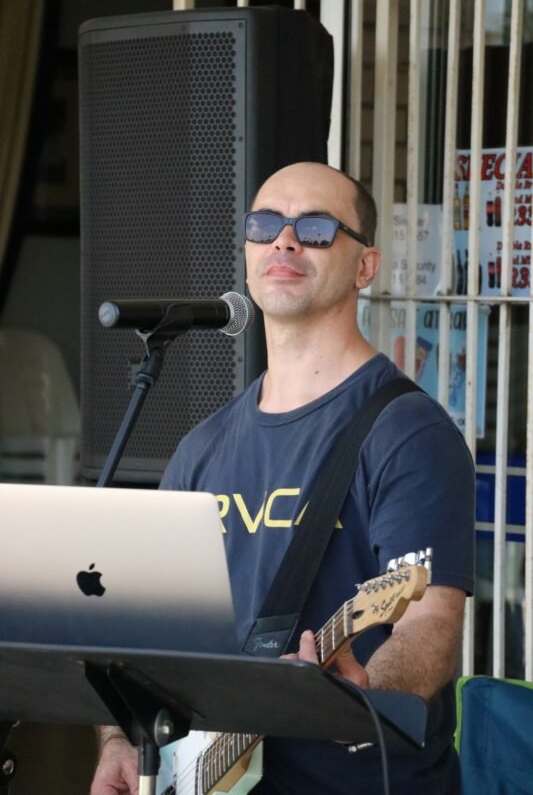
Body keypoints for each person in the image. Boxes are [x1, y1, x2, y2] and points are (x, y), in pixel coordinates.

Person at [91, 162, 475, 795]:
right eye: (265, 224)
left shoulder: (409, 432)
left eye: (317, 227)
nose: (285, 241)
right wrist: (119, 744)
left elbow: (429, 622)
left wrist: (370, 691)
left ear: (366, 266)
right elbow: (142, 638)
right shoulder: (202, 450)